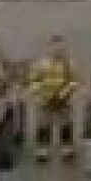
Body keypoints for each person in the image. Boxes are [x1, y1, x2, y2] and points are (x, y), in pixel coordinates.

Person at [29, 34, 79, 162]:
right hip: (45, 99)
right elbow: (34, 80)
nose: (58, 50)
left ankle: (67, 148)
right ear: (50, 48)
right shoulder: (41, 64)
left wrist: (66, 92)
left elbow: (74, 81)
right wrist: (39, 93)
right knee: (44, 124)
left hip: (63, 99)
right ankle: (42, 150)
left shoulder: (69, 64)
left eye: (60, 48)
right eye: (55, 47)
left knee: (65, 124)